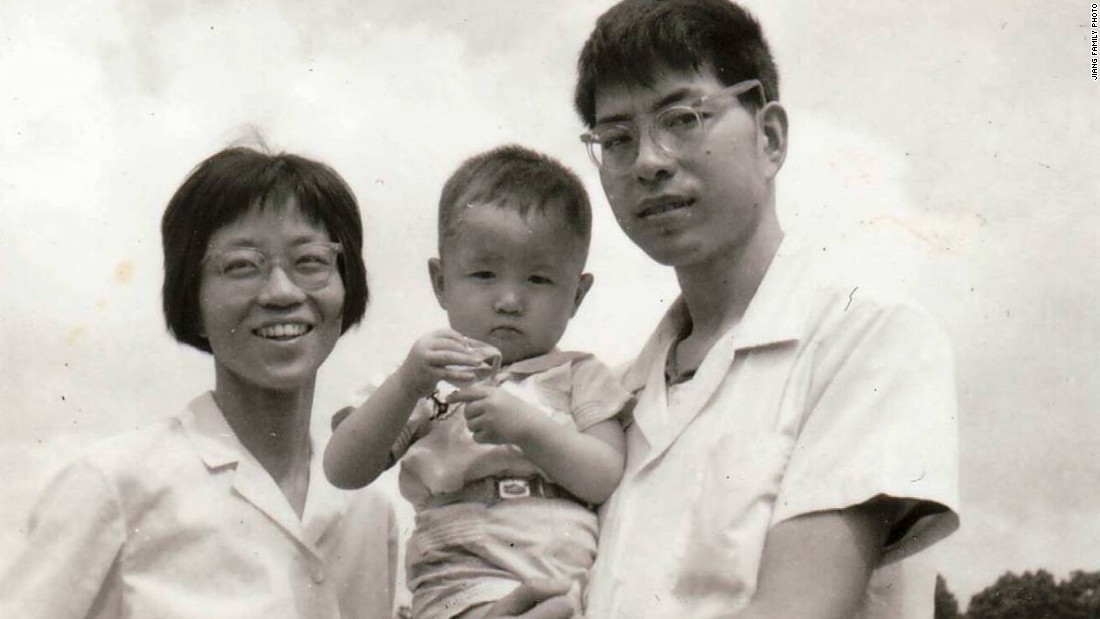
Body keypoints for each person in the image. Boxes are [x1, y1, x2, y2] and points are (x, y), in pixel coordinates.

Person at [570, 1, 961, 618]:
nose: (648, 160)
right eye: (617, 139)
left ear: (770, 137)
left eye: (683, 117)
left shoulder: (868, 339)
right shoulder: (611, 401)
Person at [0, 146, 398, 619]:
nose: (282, 292)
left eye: (310, 260)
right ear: (193, 304)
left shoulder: (370, 511)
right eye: (241, 265)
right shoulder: (115, 485)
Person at [324, 145, 628, 619]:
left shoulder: (580, 376)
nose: (509, 299)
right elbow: (343, 468)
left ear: (577, 295)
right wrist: (407, 385)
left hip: (560, 571)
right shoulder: (430, 374)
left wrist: (528, 428)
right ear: (441, 282)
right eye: (484, 274)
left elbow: (605, 474)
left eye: (539, 279)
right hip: (458, 574)